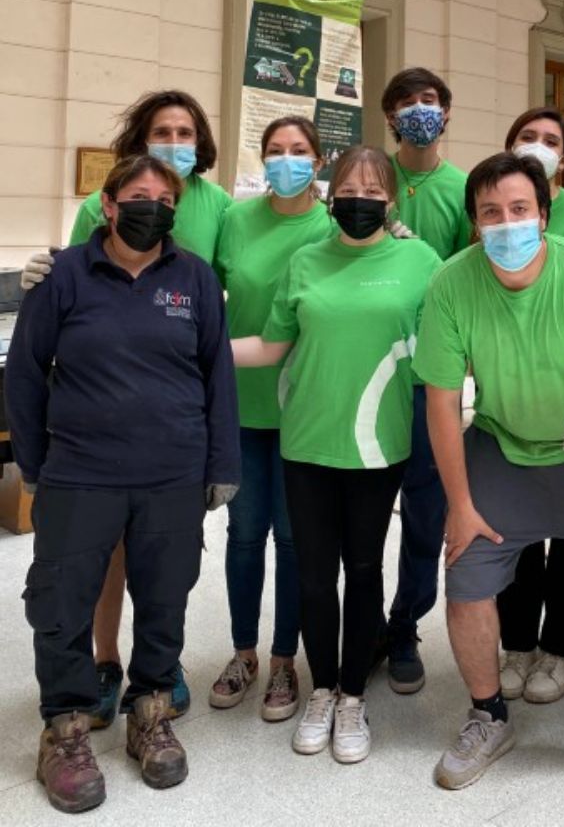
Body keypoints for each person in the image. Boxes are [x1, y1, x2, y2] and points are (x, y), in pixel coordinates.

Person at [413, 152, 564, 811]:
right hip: (501, 451)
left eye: (519, 210)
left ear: (544, 216)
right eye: (490, 213)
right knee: (465, 583)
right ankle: (488, 716)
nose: (506, 224)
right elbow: (441, 400)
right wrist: (460, 505)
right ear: (473, 223)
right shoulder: (451, 283)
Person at [5, 155, 239, 813]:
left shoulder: (193, 278)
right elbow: (23, 373)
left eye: (166, 199)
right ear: (108, 205)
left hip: (172, 475)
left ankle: (151, 709)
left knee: (165, 598)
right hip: (80, 475)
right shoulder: (65, 276)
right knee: (60, 604)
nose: (154, 208)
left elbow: (217, 375)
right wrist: (35, 462)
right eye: (140, 196)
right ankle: (67, 726)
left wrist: (223, 465)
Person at [232, 146, 441, 764]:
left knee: (366, 570)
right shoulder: (305, 261)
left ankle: (353, 696)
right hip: (306, 442)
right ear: (329, 191)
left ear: (393, 200)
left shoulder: (419, 260)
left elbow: (447, 346)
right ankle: (321, 688)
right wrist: (191, 341)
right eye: (349, 186)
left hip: (379, 445)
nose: (360, 198)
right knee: (317, 576)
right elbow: (272, 347)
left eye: (374, 190)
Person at [210, 116, 331, 721]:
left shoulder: (332, 226)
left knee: (293, 540)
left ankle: (286, 661)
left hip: (304, 411)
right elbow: (201, 291)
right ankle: (244, 652)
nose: (288, 160)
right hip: (239, 404)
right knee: (243, 534)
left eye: (300, 150)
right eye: (276, 151)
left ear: (319, 159)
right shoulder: (235, 221)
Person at [494, 107, 564, 704]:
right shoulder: (492, 208)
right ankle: (516, 642)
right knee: (514, 527)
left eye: (550, 140)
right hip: (508, 393)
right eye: (528, 137)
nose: (538, 146)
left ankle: (562, 647)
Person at [378, 68, 470, 694]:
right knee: (356, 511)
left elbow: (476, 274)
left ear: (446, 113)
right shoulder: (369, 178)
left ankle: (405, 622)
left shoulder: (463, 189)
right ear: (389, 118)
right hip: (365, 373)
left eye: (429, 101)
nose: (418, 110)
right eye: (406, 103)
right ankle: (357, 624)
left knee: (425, 510)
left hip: (431, 377)